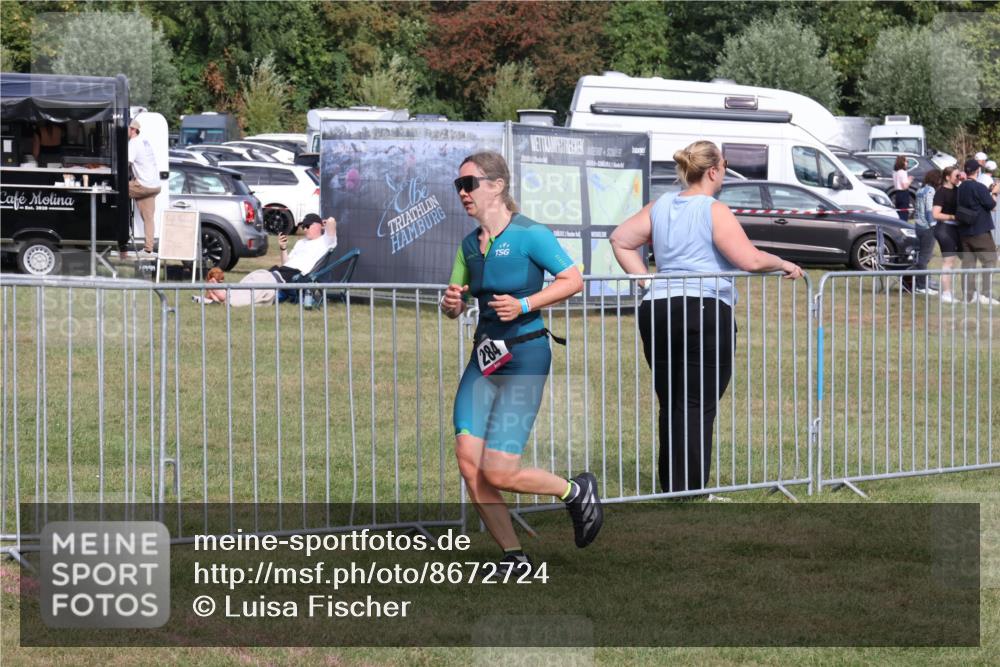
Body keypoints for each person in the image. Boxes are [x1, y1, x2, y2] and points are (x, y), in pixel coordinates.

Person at [609, 140, 804, 495]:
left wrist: (646, 280)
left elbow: (621, 239)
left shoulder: (661, 205)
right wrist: (784, 263)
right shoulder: (714, 210)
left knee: (672, 400)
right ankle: (691, 489)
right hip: (703, 309)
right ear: (713, 170)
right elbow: (750, 260)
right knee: (698, 401)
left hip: (659, 309)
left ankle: (674, 486)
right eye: (725, 166)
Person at [440, 151, 601, 572]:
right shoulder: (467, 247)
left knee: (499, 471)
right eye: (458, 186)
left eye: (469, 184)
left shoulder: (531, 234)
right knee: (467, 459)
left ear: (496, 185)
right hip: (485, 358)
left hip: (526, 356)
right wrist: (451, 303)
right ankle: (515, 557)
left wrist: (526, 302)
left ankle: (573, 490)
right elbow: (454, 304)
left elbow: (573, 280)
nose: (462, 193)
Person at [956, 158, 999, 305]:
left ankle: (969, 296)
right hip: (979, 230)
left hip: (964, 231)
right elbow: (991, 204)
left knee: (968, 264)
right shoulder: (979, 187)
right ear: (977, 171)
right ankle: (985, 295)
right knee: (990, 260)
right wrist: (994, 192)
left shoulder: (961, 187)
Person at [128, 119, 161, 257]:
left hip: (144, 185)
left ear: (134, 130)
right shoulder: (145, 141)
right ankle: (148, 249)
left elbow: (126, 164)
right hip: (155, 185)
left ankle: (117, 235)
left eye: (127, 129)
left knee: (116, 190)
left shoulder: (133, 143)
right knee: (148, 218)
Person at [271, 213, 337, 282]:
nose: (305, 229)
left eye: (307, 226)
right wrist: (283, 248)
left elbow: (331, 220)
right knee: (262, 275)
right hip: (282, 272)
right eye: (303, 227)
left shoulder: (326, 241)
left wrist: (322, 223)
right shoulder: (300, 242)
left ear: (319, 225)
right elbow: (285, 264)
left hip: (296, 276)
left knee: (264, 281)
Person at [932, 166, 962, 303]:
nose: (959, 178)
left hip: (957, 229)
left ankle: (953, 291)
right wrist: (952, 217)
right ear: (947, 177)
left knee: (958, 260)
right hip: (945, 228)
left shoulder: (959, 190)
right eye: (956, 176)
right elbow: (935, 214)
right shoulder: (941, 192)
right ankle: (946, 293)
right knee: (948, 261)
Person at [911, 169, 941, 294]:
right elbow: (929, 211)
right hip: (928, 227)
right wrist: (934, 225)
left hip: (918, 226)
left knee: (921, 256)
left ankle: (920, 283)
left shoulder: (920, 190)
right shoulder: (931, 191)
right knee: (925, 257)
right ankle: (921, 286)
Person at [892, 154, 914, 222]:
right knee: (904, 213)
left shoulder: (895, 172)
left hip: (897, 193)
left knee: (899, 211)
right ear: (902, 162)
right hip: (903, 193)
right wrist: (909, 180)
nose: (907, 163)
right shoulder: (903, 172)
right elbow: (905, 186)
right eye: (906, 161)